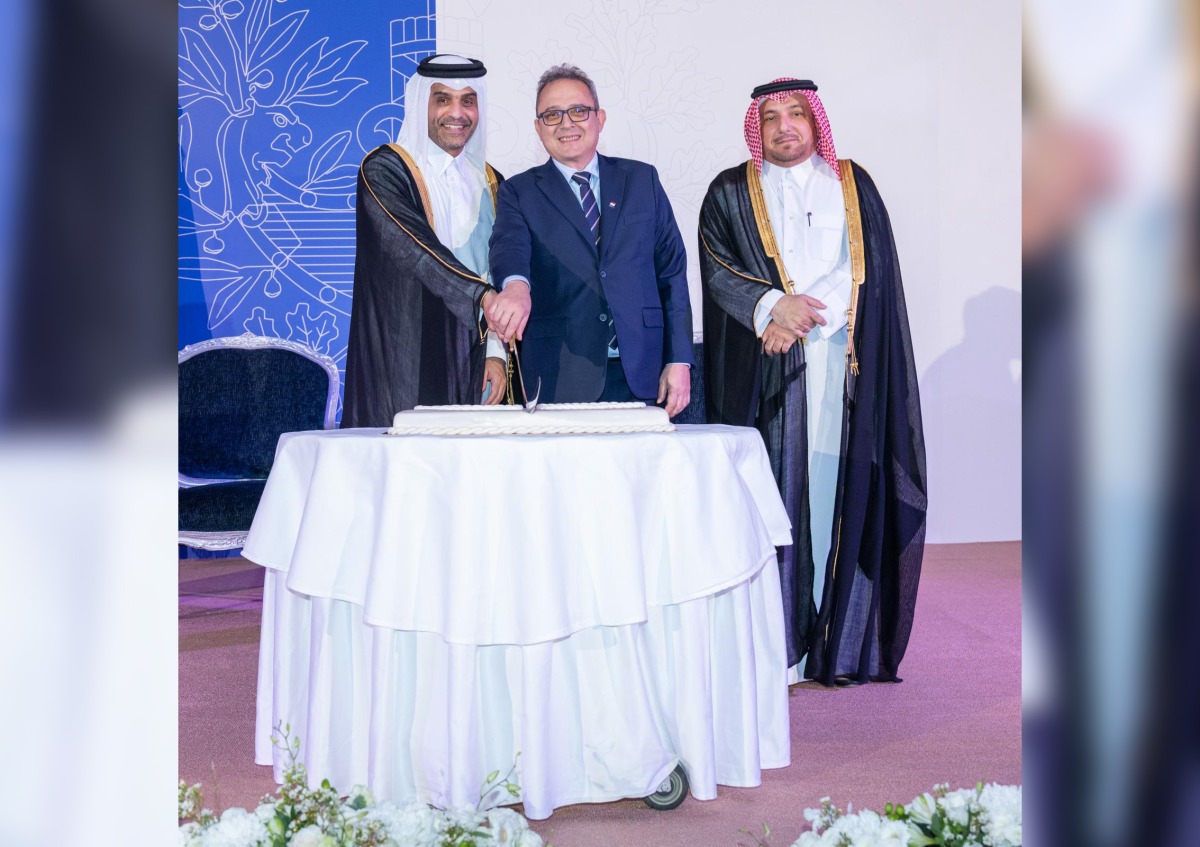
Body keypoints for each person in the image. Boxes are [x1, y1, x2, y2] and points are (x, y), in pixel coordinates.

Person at [698, 78, 926, 685]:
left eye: (796, 114)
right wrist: (773, 304)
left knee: (835, 497)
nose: (784, 127)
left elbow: (866, 261)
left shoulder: (852, 183)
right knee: (772, 503)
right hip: (765, 376)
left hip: (842, 369)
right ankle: (778, 653)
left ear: (815, 121)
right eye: (770, 118)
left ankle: (842, 647)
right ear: (757, 128)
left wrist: (800, 313)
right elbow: (718, 268)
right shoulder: (729, 191)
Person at [485, 64, 692, 414]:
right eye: (552, 115)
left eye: (579, 111)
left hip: (643, 372)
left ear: (600, 118)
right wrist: (515, 285)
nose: (566, 123)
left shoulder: (642, 180)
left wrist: (680, 360)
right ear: (538, 128)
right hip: (559, 375)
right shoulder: (518, 192)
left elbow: (671, 274)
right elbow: (509, 248)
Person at [342, 54, 508, 428]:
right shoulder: (384, 170)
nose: (457, 112)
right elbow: (415, 251)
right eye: (443, 99)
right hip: (406, 359)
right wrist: (482, 297)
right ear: (421, 104)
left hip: (476, 362)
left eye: (468, 100)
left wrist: (496, 355)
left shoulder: (494, 183)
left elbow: (498, 270)